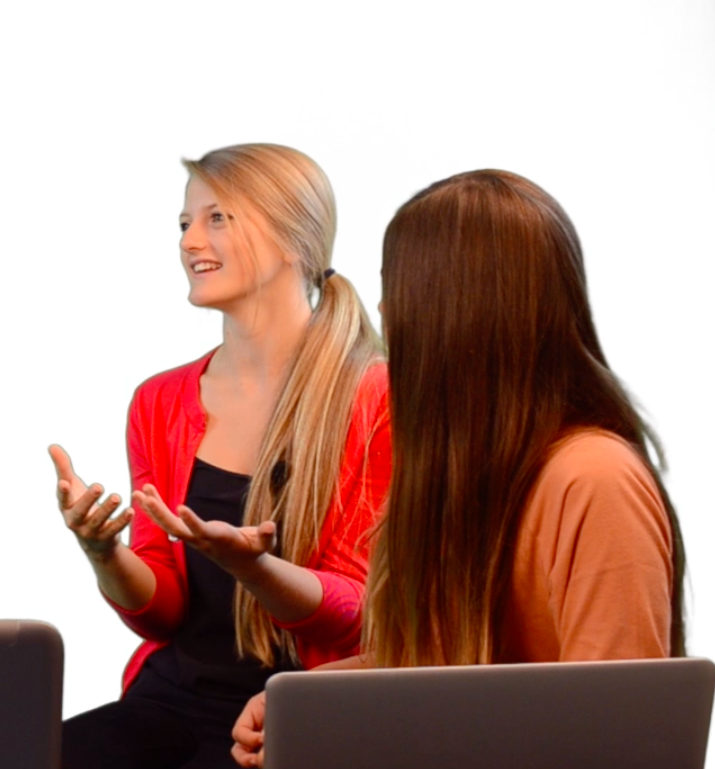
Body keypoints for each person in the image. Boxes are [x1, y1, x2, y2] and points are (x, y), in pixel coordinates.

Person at [231, 169, 685, 767]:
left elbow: (617, 739)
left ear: (453, 314)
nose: (387, 314)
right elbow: (435, 666)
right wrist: (306, 705)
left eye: (398, 291)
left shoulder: (594, 480)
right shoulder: (453, 477)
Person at [51, 143, 392, 769]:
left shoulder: (375, 398)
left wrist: (253, 569)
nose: (189, 242)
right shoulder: (158, 401)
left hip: (295, 713)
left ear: (293, 239)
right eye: (184, 223)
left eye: (217, 218)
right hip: (172, 702)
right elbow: (165, 613)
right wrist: (105, 553)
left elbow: (359, 616)